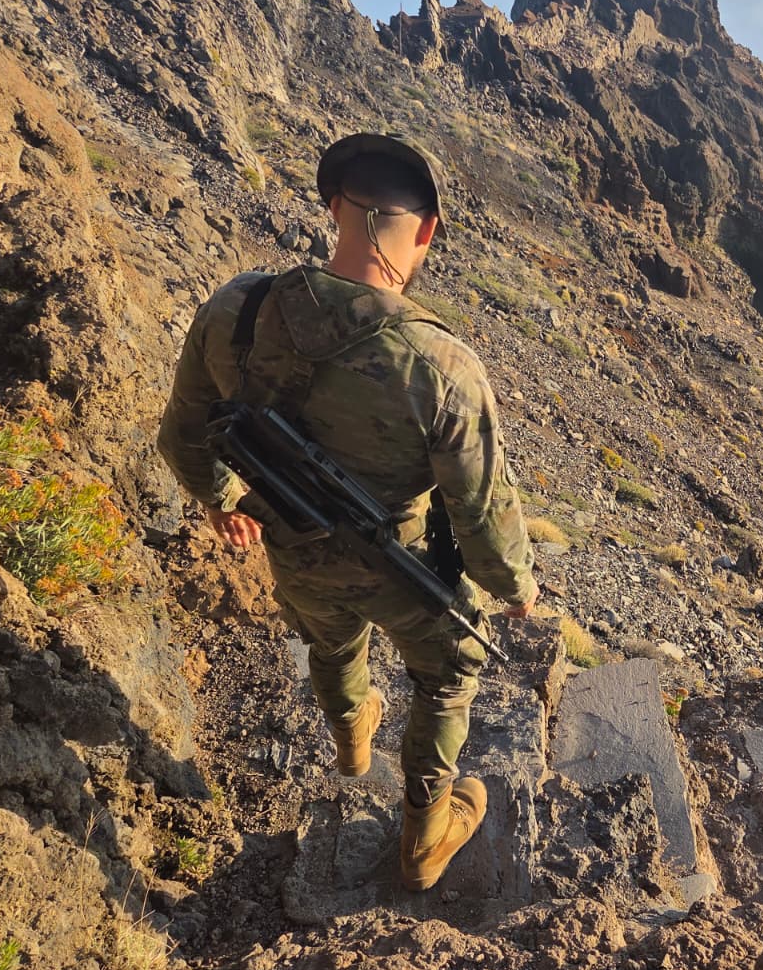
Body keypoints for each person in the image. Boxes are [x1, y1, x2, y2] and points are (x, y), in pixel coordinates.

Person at [156, 133, 538, 891]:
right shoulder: (441, 367)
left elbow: (181, 434)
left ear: (334, 207)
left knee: (330, 647)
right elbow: (483, 516)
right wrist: (516, 587)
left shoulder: (239, 307)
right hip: (402, 567)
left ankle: (352, 742)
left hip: (291, 547)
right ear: (426, 230)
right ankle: (426, 837)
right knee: (451, 671)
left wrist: (220, 500)